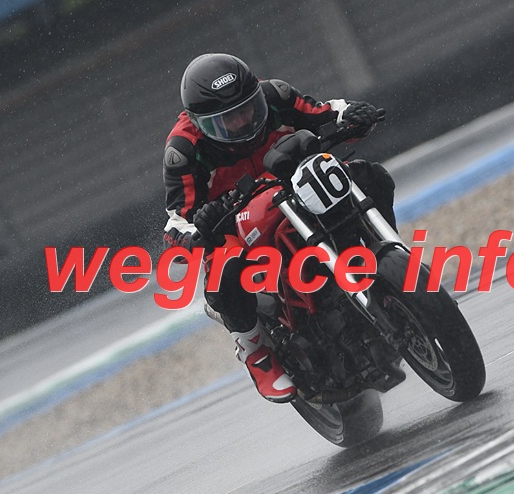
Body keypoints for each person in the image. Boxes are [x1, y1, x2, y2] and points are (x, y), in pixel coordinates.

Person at [162, 53, 396, 403]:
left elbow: (325, 111)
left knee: (369, 176)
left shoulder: (276, 95)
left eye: (247, 109)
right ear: (200, 123)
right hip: (235, 221)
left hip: (296, 186)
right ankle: (255, 351)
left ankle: (390, 261)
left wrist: (353, 114)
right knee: (225, 267)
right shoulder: (183, 149)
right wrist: (198, 229)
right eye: (227, 120)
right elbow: (175, 221)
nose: (242, 122)